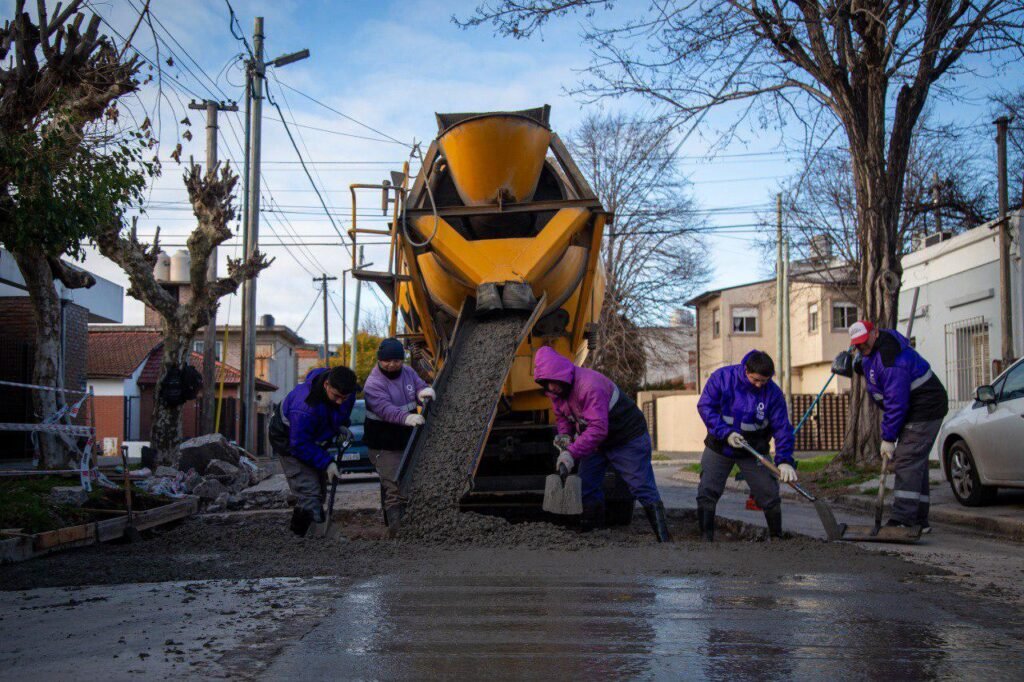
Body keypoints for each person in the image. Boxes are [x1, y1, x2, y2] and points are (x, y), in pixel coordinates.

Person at [533, 345, 670, 542]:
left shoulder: (590, 386)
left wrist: (572, 453)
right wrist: (564, 442)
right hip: (596, 443)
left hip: (626, 437)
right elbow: (563, 418)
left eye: (553, 382)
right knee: (587, 486)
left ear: (562, 374)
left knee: (641, 486)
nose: (551, 388)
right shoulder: (555, 393)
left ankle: (664, 539)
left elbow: (598, 429)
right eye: (546, 384)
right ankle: (593, 537)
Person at [848, 320, 948, 532]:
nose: (861, 349)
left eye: (864, 343)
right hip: (914, 408)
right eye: (857, 345)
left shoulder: (891, 360)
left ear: (875, 333)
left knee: (907, 460)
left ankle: (904, 519)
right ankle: (919, 520)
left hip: (925, 408)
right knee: (914, 462)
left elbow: (896, 402)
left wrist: (888, 437)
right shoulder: (871, 353)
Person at [696, 350, 795, 541]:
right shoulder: (723, 378)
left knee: (768, 492)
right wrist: (725, 433)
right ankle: (705, 538)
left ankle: (777, 537)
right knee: (708, 489)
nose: (759, 385)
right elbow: (705, 407)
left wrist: (785, 460)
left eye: (763, 381)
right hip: (720, 446)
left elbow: (782, 428)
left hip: (753, 450)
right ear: (745, 370)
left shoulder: (773, 394)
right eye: (755, 380)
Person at [268, 365, 358, 537]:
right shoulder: (305, 406)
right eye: (336, 396)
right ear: (326, 385)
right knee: (309, 492)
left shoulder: (347, 392)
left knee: (319, 493)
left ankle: (309, 534)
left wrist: (340, 426)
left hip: (313, 438)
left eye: (344, 397)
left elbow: (338, 412)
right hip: (288, 439)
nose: (340, 401)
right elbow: (299, 444)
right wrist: (327, 462)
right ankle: (303, 540)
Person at [362, 337, 435, 528]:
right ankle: (397, 531)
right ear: (380, 359)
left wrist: (423, 393)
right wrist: (407, 418)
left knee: (412, 483)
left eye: (397, 360)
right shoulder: (373, 384)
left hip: (406, 440)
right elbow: (385, 409)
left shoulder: (408, 372)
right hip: (383, 444)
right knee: (394, 487)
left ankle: (415, 525)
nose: (392, 365)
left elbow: (419, 386)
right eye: (388, 360)